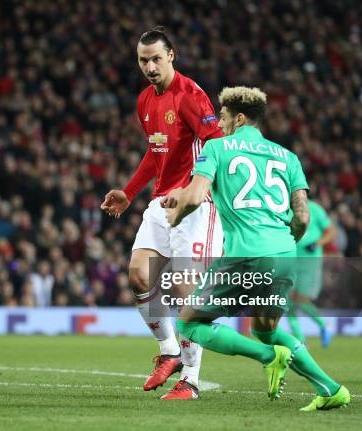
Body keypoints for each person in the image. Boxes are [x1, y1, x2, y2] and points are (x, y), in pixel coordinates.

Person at [163, 87, 350, 410]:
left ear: (238, 118)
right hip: (283, 255)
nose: (218, 125)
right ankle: (332, 389)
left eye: (222, 118)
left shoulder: (216, 148)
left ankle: (268, 358)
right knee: (264, 329)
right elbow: (302, 217)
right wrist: (282, 241)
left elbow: (194, 197)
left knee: (189, 323)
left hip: (245, 255)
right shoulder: (288, 157)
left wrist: (175, 216)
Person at [100, 27, 223, 400]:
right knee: (139, 275)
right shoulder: (144, 101)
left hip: (196, 204)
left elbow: (218, 146)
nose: (150, 67)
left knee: (187, 288)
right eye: (143, 60)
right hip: (160, 201)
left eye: (156, 58)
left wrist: (190, 191)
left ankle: (191, 379)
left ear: (172, 55)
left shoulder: (190, 96)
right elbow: (157, 155)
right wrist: (129, 191)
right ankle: (169, 351)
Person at [288, 199, 336, 347]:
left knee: (302, 300)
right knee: (288, 300)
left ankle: (324, 325)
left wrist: (317, 244)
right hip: (291, 258)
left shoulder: (315, 208)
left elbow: (331, 232)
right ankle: (300, 339)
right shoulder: (285, 209)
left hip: (310, 261)